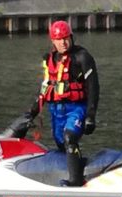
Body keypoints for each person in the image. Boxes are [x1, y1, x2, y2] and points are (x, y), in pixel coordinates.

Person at [23, 20, 99, 186]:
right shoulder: (50, 60)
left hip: (76, 108)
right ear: (53, 41)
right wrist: (32, 112)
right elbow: (45, 88)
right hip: (56, 110)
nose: (63, 42)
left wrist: (91, 116)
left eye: (66, 38)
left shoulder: (82, 57)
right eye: (59, 39)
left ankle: (75, 181)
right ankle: (73, 171)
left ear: (71, 37)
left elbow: (94, 87)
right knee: (60, 143)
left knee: (69, 137)